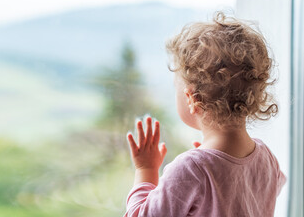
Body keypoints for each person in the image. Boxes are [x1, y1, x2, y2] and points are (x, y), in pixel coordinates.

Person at [123, 11, 287, 217]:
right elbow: (263, 189)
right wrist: (214, 162)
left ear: (193, 99)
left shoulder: (190, 170)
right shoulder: (266, 157)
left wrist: (145, 170)